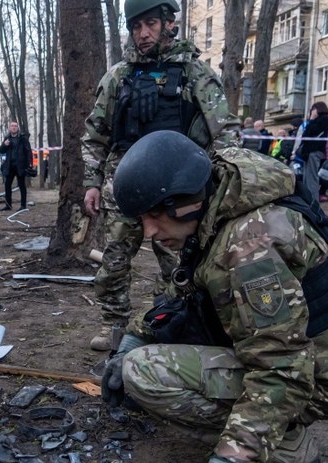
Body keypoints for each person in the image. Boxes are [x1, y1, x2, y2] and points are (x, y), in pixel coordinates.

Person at [101, 130, 328, 463]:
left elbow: (281, 369)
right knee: (140, 354)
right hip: (306, 353)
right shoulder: (222, 197)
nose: (149, 231)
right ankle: (277, 436)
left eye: (155, 216)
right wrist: (134, 337)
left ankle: (284, 445)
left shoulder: (248, 251)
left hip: (315, 376)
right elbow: (184, 288)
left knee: (145, 373)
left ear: (185, 201)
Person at [81, 0, 238, 351]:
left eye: (151, 23)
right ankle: (113, 324)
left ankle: (174, 321)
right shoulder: (118, 77)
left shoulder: (195, 74)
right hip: (122, 190)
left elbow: (224, 133)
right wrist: (92, 183)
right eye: (137, 26)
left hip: (176, 192)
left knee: (180, 264)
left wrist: (218, 184)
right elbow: (95, 134)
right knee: (115, 262)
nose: (143, 33)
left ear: (169, 23)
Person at [293, 102, 328, 203]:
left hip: (314, 151)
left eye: (313, 110)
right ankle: (307, 198)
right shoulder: (322, 120)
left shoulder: (323, 120)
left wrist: (311, 120)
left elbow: (310, 132)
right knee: (307, 177)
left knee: (312, 178)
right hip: (310, 152)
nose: (312, 112)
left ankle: (313, 201)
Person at [0, 120, 33, 211]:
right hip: (10, 165)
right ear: (10, 128)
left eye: (15, 126)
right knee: (7, 185)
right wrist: (4, 145)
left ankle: (23, 205)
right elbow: (1, 150)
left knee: (22, 186)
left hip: (20, 165)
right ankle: (8, 205)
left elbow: (28, 151)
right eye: (12, 126)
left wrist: (30, 163)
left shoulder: (23, 138)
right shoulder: (7, 138)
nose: (14, 127)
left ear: (17, 128)